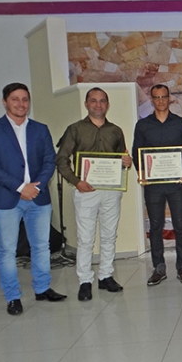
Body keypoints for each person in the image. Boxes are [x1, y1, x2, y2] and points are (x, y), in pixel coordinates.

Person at [0, 83, 66, 315]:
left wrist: (36, 187)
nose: (21, 104)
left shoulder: (40, 129)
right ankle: (13, 297)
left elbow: (49, 160)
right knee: (7, 250)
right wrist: (21, 187)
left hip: (38, 198)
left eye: (25, 99)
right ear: (5, 102)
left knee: (41, 246)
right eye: (15, 99)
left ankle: (42, 288)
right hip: (6, 199)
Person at [56, 87, 132, 301]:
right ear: (87, 104)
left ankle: (106, 276)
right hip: (86, 191)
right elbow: (61, 159)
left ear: (107, 105)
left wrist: (127, 162)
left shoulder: (116, 130)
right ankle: (85, 280)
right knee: (86, 238)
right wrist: (76, 181)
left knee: (109, 235)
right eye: (93, 101)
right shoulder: (75, 129)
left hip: (111, 191)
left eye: (102, 101)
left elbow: (122, 159)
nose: (98, 105)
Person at [132, 84, 182, 286]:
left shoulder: (181, 123)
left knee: (180, 225)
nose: (160, 101)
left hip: (177, 185)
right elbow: (137, 153)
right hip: (154, 187)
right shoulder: (142, 126)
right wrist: (144, 174)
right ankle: (159, 267)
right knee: (156, 226)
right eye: (156, 97)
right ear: (152, 100)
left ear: (170, 99)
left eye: (163, 97)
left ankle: (181, 266)